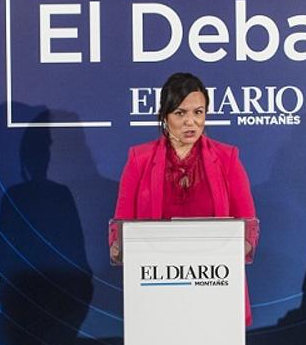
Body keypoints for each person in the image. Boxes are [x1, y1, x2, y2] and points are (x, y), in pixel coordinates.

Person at [110, 71, 259, 320]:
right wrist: (122, 247)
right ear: (165, 116)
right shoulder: (139, 160)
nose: (191, 122)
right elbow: (120, 232)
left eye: (198, 112)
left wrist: (222, 260)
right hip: (156, 289)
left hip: (215, 290)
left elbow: (248, 229)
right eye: (181, 113)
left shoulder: (227, 159)